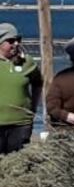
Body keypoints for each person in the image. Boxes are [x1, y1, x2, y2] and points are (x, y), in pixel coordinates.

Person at [0, 23, 42, 154]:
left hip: (21, 123)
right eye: (11, 41)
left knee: (17, 164)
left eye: (18, 40)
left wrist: (33, 108)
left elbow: (38, 83)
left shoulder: (27, 62)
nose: (16, 44)